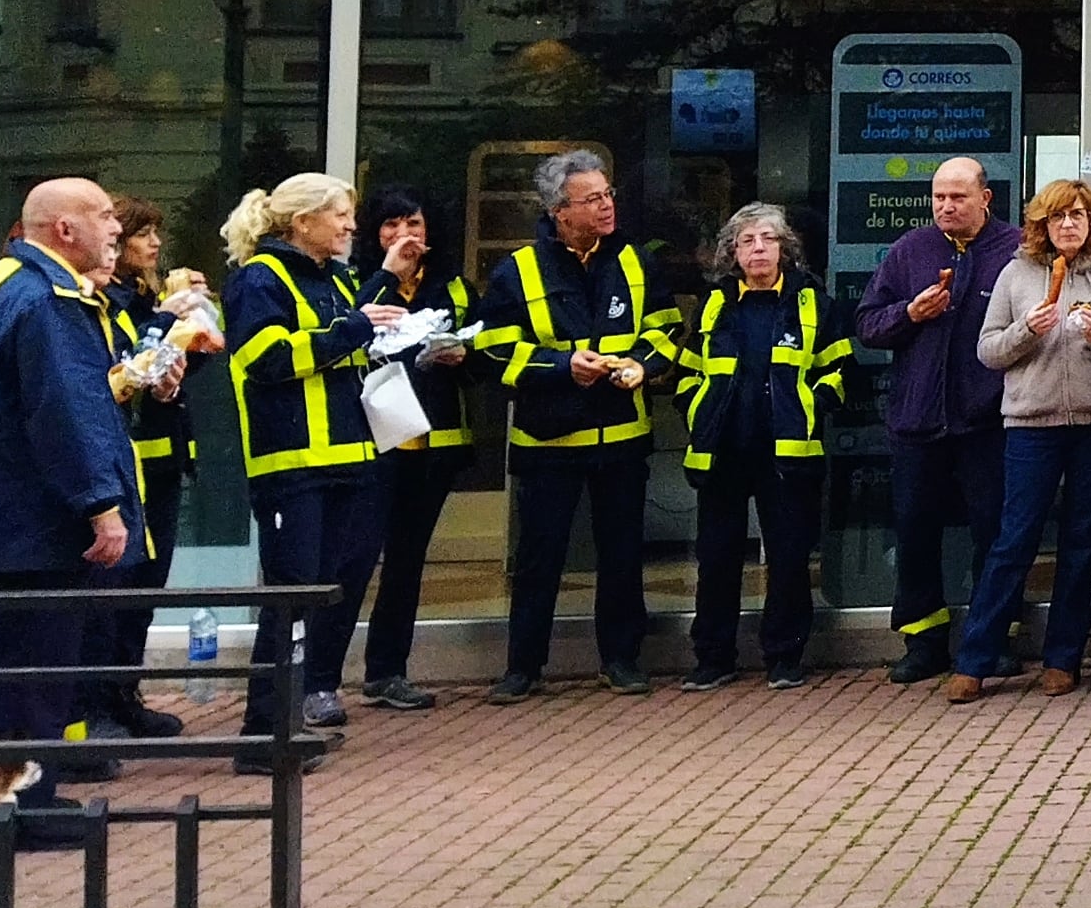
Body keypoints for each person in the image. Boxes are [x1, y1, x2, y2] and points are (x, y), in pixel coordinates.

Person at [0, 179, 149, 800]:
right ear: (64, 230)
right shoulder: (48, 301)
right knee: (36, 668)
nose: (116, 229)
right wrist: (101, 505)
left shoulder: (6, 289)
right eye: (104, 215)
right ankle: (25, 805)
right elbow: (65, 413)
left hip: (8, 519)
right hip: (43, 526)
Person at [482, 149, 681, 704]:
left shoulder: (637, 261)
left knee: (621, 556)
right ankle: (523, 667)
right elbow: (492, 352)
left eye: (607, 194)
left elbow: (666, 329)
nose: (606, 206)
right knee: (539, 559)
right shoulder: (515, 271)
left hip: (621, 439)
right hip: (548, 442)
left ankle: (621, 659)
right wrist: (559, 366)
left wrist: (645, 364)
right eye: (592, 199)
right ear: (559, 211)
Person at [952, 178, 1091, 701]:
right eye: (1059, 217)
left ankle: (1064, 659)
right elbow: (987, 351)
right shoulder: (1017, 274)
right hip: (1031, 426)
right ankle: (974, 659)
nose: (1069, 225)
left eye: (1079, 217)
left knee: (1082, 542)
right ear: (1041, 224)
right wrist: (1027, 331)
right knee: (1013, 540)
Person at [219, 171, 381, 766]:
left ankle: (287, 722)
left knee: (316, 597)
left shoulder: (333, 277)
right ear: (302, 220)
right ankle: (263, 737)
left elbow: (340, 345)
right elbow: (266, 359)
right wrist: (354, 331)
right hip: (293, 466)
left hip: (344, 460)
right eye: (340, 214)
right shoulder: (261, 277)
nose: (350, 225)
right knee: (287, 602)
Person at [850, 156, 1022, 684]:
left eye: (958, 197)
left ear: (985, 199)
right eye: (939, 197)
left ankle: (995, 640)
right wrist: (909, 314)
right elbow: (866, 325)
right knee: (916, 531)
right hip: (918, 419)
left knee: (995, 534)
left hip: (988, 421)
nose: (946, 207)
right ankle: (923, 643)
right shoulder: (909, 252)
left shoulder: (1016, 251)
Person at [681, 200, 847, 691]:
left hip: (787, 453)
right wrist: (699, 413)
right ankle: (713, 658)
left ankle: (785, 657)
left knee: (789, 558)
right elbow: (690, 373)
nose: (758, 249)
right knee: (716, 559)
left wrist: (810, 409)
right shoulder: (713, 302)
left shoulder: (812, 301)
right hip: (722, 452)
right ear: (732, 252)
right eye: (747, 241)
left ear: (785, 248)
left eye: (768, 239)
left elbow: (837, 372)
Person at [350, 185, 472, 713]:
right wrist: (387, 278)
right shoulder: (356, 283)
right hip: (372, 442)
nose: (405, 236)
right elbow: (342, 336)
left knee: (407, 560)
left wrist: (464, 354)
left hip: (435, 441)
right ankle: (318, 680)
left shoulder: (454, 287)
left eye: (414, 226)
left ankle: (387, 671)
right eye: (392, 226)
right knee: (353, 559)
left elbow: (486, 350)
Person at [88, 197, 203, 740]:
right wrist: (166, 319)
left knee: (147, 588)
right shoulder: (107, 300)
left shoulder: (145, 296)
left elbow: (159, 361)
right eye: (142, 234)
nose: (153, 244)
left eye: (157, 232)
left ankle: (125, 695)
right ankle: (100, 707)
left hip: (161, 460)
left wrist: (184, 351)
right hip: (125, 463)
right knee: (119, 588)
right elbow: (124, 360)